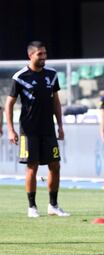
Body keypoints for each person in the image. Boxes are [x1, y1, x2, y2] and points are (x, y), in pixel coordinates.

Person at [5, 41, 70, 218]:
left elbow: (55, 101)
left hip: (48, 129)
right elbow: (9, 104)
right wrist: (10, 129)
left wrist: (60, 126)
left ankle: (53, 205)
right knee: (32, 167)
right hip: (29, 130)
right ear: (30, 55)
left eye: (45, 53)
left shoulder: (52, 75)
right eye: (40, 54)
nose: (44, 57)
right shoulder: (20, 77)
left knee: (55, 166)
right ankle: (32, 206)